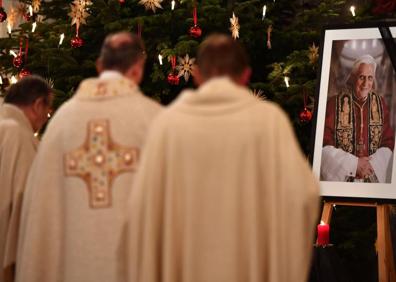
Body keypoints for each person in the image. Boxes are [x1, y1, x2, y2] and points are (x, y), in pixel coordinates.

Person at [122, 34, 320, 282]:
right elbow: (303, 196)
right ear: (246, 75)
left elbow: (142, 206)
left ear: (196, 75)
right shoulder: (269, 122)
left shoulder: (168, 125)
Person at [15, 32, 162, 282]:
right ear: (138, 69)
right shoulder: (154, 120)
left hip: (74, 269)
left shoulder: (62, 121)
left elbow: (41, 210)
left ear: (99, 65)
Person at [0, 76, 52, 282]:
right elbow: (28, 201)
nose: (46, 118)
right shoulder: (17, 135)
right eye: (48, 112)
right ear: (38, 105)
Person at [321, 55, 395, 183]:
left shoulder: (380, 104)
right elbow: (324, 144)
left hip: (372, 176)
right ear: (353, 77)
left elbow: (388, 142)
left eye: (370, 78)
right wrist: (353, 164)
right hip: (343, 178)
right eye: (361, 77)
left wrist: (371, 165)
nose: (366, 84)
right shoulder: (334, 103)